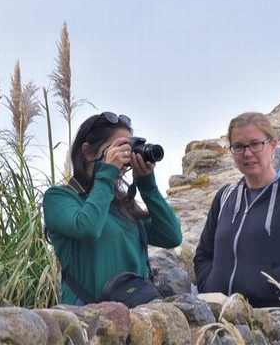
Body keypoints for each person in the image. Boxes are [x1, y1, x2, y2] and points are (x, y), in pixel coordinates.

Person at [43, 112, 183, 306]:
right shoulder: (59, 198)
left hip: (139, 315)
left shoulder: (124, 205)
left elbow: (172, 236)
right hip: (89, 319)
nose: (123, 160)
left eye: (127, 151)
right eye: (117, 150)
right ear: (88, 152)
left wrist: (148, 187)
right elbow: (89, 228)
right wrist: (106, 175)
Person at [194, 112, 280, 307]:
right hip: (224, 317)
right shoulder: (225, 197)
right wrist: (209, 285)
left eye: (255, 144)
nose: (247, 153)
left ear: (272, 145)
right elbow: (203, 254)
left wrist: (272, 284)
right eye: (239, 147)